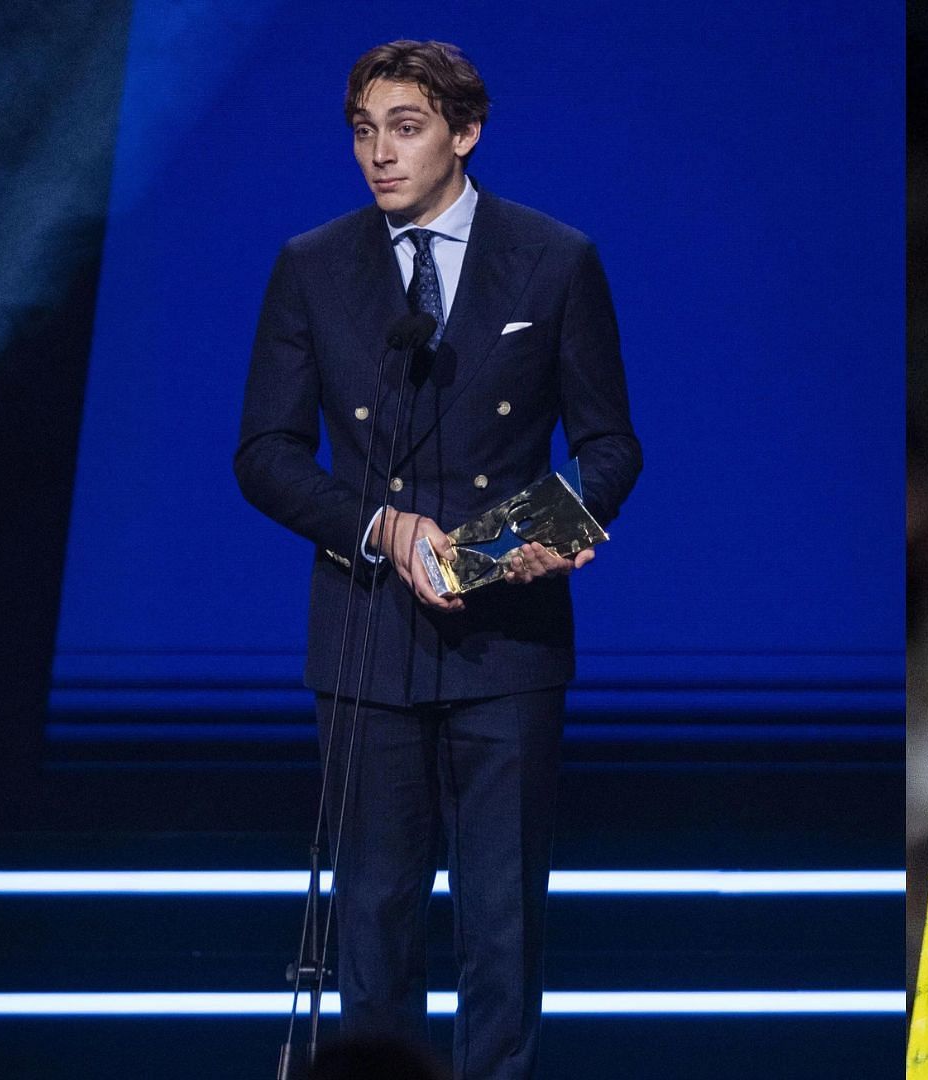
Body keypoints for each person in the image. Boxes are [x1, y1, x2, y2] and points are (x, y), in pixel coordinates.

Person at [235, 39, 641, 1079]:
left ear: (465, 132)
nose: (380, 153)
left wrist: (537, 535)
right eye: (364, 131)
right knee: (373, 922)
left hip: (505, 641)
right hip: (368, 639)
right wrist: (378, 525)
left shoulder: (553, 260)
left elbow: (610, 447)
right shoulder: (313, 266)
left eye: (405, 128)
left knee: (502, 924)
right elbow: (266, 455)